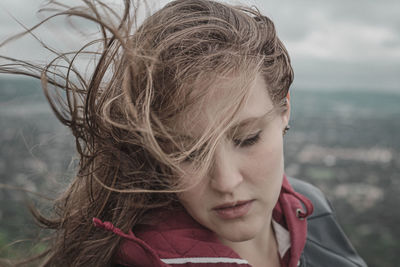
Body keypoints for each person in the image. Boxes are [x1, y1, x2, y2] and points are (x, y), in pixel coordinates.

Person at [0, 0, 367, 266]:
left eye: (246, 138)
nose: (225, 181)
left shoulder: (309, 206)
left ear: (284, 109)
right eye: (187, 152)